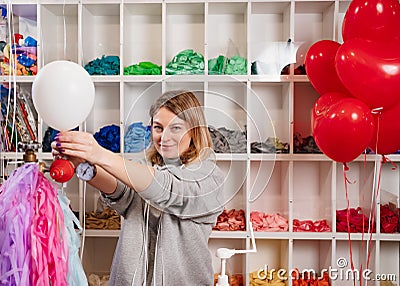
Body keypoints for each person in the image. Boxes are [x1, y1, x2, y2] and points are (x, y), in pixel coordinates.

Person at [52, 90, 226, 285]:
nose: (164, 137)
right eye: (158, 128)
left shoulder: (209, 177)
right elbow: (122, 194)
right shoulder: (145, 169)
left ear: (194, 131)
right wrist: (83, 164)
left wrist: (101, 155)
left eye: (176, 128)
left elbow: (167, 190)